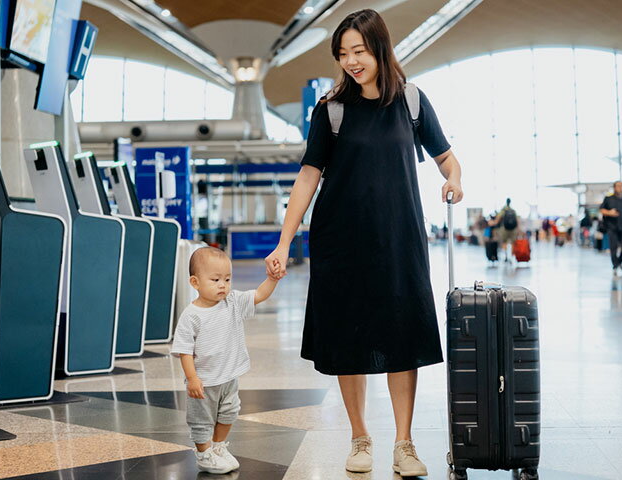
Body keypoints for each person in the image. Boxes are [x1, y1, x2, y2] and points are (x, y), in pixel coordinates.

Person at [264, 9, 464, 477]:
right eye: (343, 54)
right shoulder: (331, 110)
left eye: (359, 51)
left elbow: (448, 158)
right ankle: (359, 436)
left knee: (402, 336)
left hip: (400, 239)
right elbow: (308, 177)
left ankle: (404, 442)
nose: (351, 61)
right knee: (345, 337)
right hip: (341, 241)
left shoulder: (411, 101)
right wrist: (283, 241)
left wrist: (454, 179)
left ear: (380, 47)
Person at [171, 247, 280, 474]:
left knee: (230, 411)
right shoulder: (191, 315)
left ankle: (218, 447)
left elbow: (258, 295)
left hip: (229, 376)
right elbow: (184, 350)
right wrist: (192, 379)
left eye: (227, 279)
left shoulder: (232, 302)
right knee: (201, 420)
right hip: (204, 381)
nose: (223, 285)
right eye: (215, 279)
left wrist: (271, 279)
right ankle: (203, 453)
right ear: (195, 282)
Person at [599, 181, 622, 276]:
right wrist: (610, 212)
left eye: (621, 186)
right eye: (618, 186)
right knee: (613, 247)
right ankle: (615, 265)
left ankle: (619, 262)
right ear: (614, 187)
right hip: (612, 227)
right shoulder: (608, 199)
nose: (620, 188)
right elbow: (601, 210)